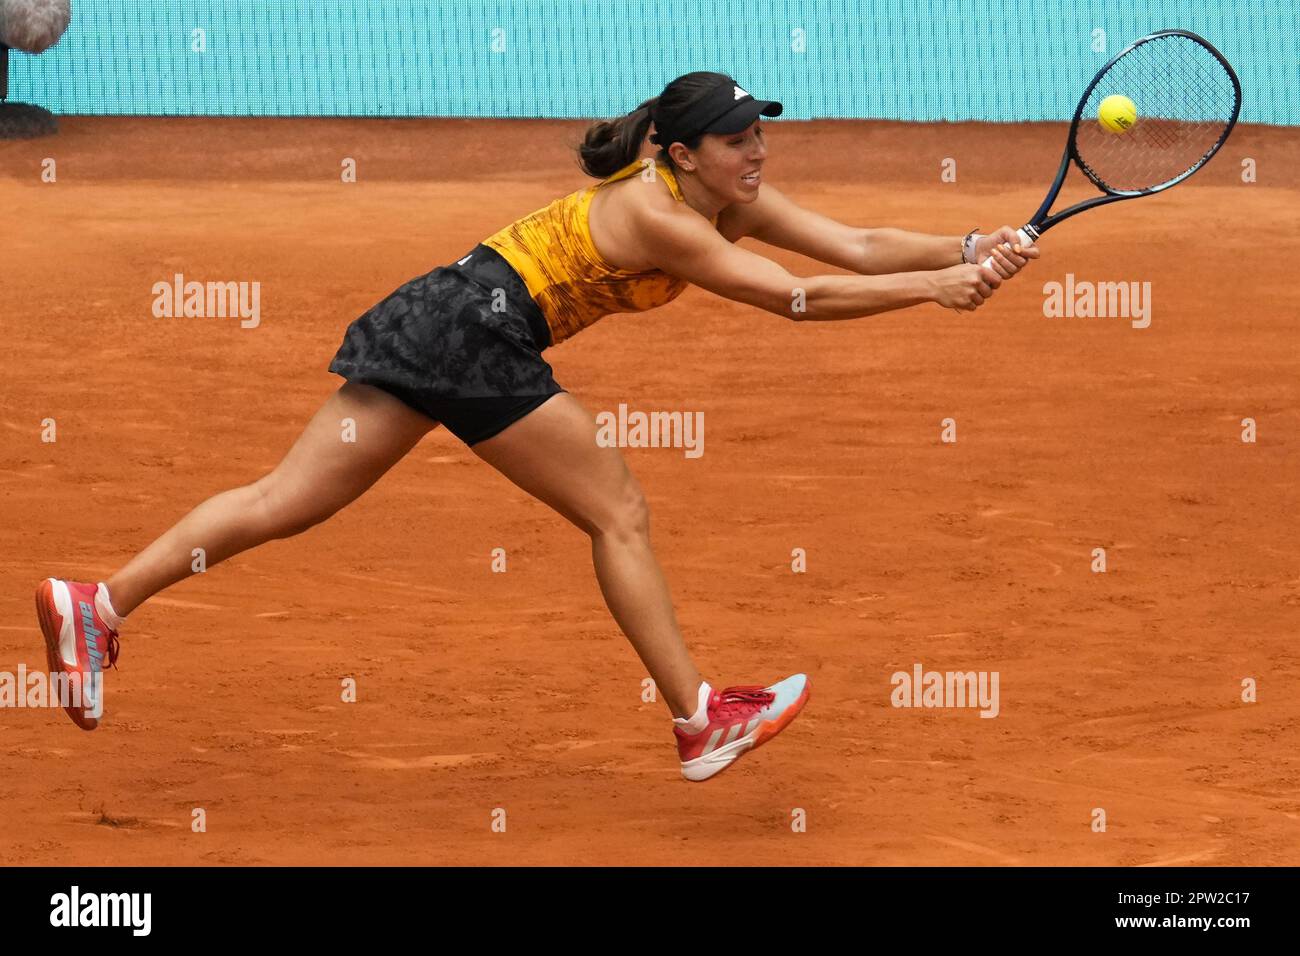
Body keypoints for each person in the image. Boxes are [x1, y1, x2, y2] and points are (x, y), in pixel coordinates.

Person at [35, 71, 1036, 782]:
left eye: (761, 135)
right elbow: (798, 301)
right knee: (620, 513)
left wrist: (963, 244)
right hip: (476, 337)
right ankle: (700, 720)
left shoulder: (724, 199)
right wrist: (939, 292)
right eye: (739, 141)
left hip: (434, 316)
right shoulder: (655, 213)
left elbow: (854, 243)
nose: (759, 153)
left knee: (283, 501)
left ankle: (100, 603)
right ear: (681, 154)